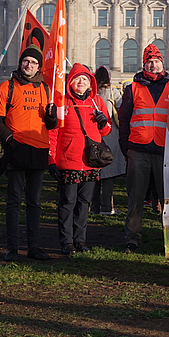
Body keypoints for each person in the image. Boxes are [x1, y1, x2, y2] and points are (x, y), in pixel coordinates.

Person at [0, 46, 57, 262]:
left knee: (35, 202)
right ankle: (12, 247)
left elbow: (50, 125)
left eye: (33, 63)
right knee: (14, 201)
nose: (29, 65)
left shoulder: (46, 89)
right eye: (26, 61)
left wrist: (52, 117)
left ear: (39, 66)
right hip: (16, 150)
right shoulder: (6, 87)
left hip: (38, 150)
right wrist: (9, 139)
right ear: (20, 63)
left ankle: (34, 247)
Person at [117, 44, 169, 252]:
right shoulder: (132, 88)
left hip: (165, 151)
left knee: (168, 199)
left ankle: (168, 238)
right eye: (150, 61)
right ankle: (132, 237)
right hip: (138, 150)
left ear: (162, 64)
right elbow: (124, 119)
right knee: (136, 198)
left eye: (157, 61)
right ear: (144, 64)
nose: (154, 64)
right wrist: (126, 148)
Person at [56, 64, 111, 254]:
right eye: (77, 79)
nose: (81, 82)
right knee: (67, 202)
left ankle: (80, 240)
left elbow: (106, 131)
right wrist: (52, 161)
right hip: (69, 160)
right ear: (70, 82)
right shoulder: (62, 102)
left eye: (85, 79)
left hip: (90, 161)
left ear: (90, 83)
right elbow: (54, 132)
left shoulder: (97, 102)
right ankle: (66, 241)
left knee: (84, 202)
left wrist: (104, 122)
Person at [91, 65, 124, 217]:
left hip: (94, 136)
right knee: (109, 175)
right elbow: (122, 109)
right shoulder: (113, 92)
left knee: (95, 174)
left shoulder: (91, 93)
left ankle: (94, 207)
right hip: (110, 135)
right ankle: (107, 207)